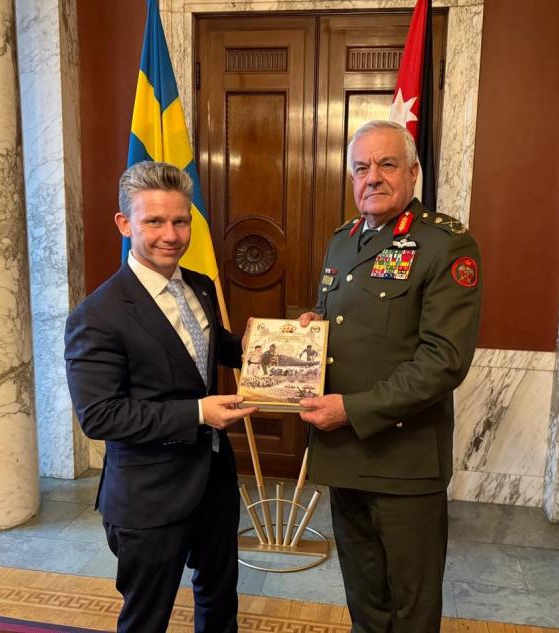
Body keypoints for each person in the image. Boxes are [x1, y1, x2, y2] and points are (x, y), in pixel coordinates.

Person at [298, 120, 482, 632]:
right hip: (343, 454)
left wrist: (352, 410)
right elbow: (339, 319)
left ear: (413, 172)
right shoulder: (344, 240)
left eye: (386, 164)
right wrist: (310, 329)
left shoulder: (445, 245)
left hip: (404, 461)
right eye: (361, 168)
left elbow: (444, 360)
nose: (372, 177)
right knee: (365, 598)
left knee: (411, 606)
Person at [64, 161, 255, 633]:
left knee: (219, 599)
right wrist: (198, 413)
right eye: (154, 221)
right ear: (124, 223)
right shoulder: (97, 316)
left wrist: (277, 343)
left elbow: (211, 348)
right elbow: (100, 416)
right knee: (146, 620)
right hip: (149, 497)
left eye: (180, 221)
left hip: (214, 480)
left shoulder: (200, 286)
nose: (171, 235)